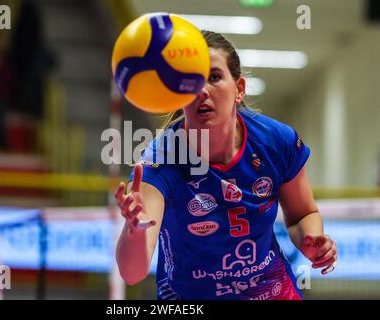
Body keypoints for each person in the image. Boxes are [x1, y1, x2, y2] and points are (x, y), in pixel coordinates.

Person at [114, 30, 337, 300]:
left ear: (239, 89)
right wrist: (134, 229)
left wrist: (311, 239)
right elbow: (132, 273)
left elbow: (302, 215)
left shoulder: (277, 141)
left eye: (215, 77)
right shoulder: (159, 161)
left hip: (271, 292)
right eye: (191, 81)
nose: (202, 91)